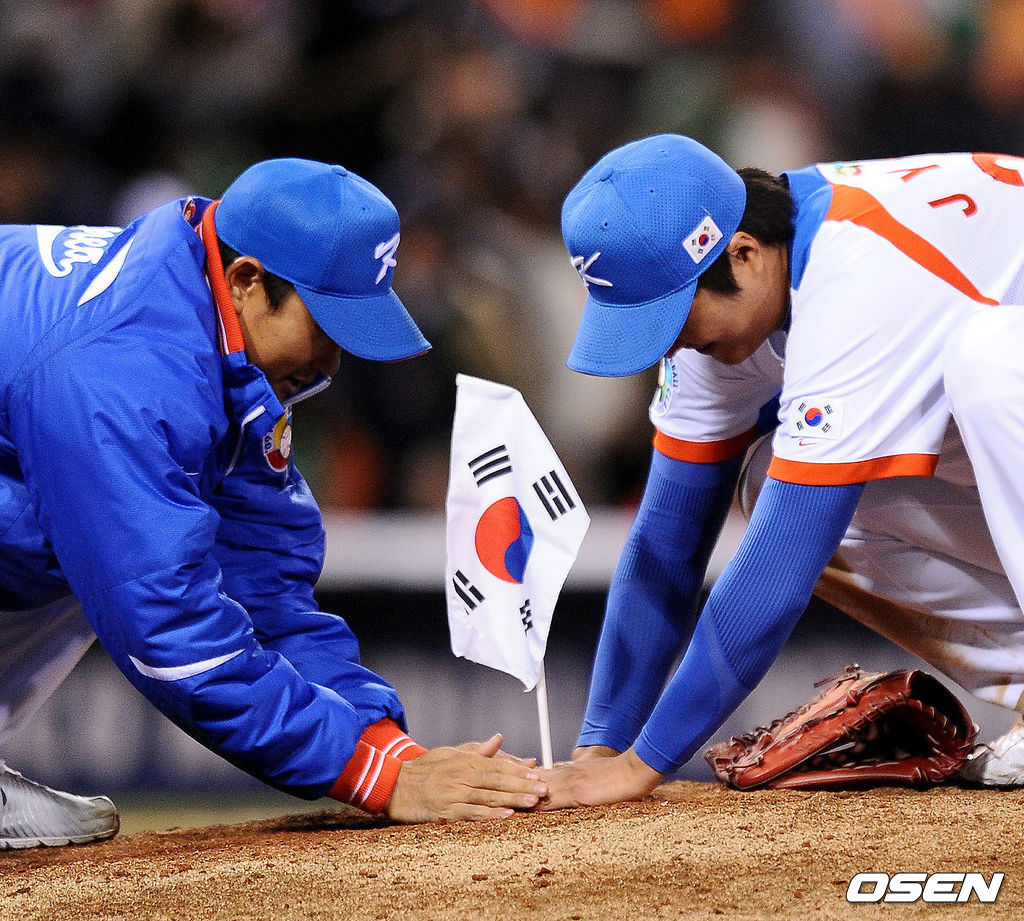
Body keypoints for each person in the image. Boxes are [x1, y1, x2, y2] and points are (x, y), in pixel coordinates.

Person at [0, 158, 548, 848]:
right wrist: (370, 773)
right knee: (111, 533)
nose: (335, 360)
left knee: (116, 519)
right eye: (326, 321)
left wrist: (383, 746)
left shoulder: (210, 330)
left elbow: (266, 585)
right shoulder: (124, 376)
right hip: (82, 395)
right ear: (247, 282)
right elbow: (171, 632)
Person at [538, 133, 1024, 809]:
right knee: (774, 478)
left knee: (992, 362)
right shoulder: (742, 288)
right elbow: (665, 548)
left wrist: (641, 766)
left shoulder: (856, 271)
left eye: (671, 314)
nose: (670, 340)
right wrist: (602, 744)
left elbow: (779, 565)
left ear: (743, 252)